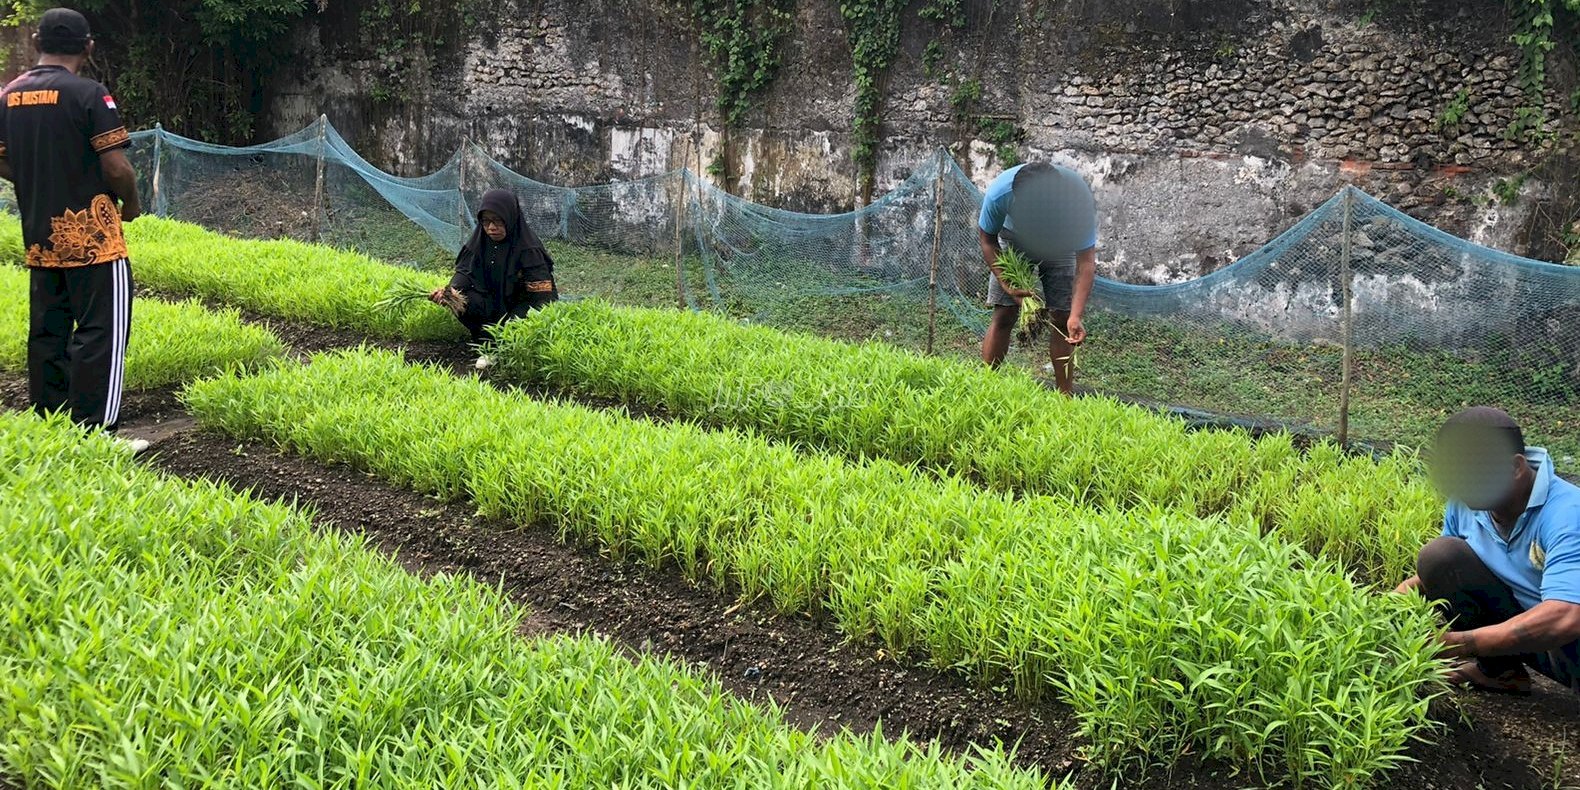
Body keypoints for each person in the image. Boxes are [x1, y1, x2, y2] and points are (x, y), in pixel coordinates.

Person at [0, 8, 142, 446]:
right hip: (94, 239)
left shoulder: (9, 96)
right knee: (102, 330)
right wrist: (132, 204)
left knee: (48, 332)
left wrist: (37, 178)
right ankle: (98, 432)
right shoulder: (90, 94)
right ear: (88, 46)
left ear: (37, 42)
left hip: (41, 237)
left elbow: (3, 159)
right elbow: (116, 166)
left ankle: (51, 428)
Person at [1396, 407, 1580, 695]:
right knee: (1439, 556)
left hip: (1571, 641)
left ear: (1515, 468)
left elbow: (1566, 616)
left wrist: (1455, 643)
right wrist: (1379, 612)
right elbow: (1445, 568)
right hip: (1536, 638)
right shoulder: (1466, 502)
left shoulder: (1568, 513)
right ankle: (1501, 673)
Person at [978, 161, 1098, 395]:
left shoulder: (1077, 203)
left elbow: (1086, 263)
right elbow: (987, 240)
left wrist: (1076, 315)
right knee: (1004, 312)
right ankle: (986, 387)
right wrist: (1005, 282)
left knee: (1063, 320)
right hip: (1014, 238)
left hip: (1059, 241)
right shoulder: (999, 194)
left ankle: (1065, 400)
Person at [432, 189, 557, 356]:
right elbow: (464, 272)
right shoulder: (480, 241)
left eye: (498, 221)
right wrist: (450, 291)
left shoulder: (528, 249)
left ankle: (506, 348)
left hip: (521, 307)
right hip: (492, 301)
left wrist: (513, 322)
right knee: (460, 298)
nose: (491, 228)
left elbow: (541, 299)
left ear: (510, 218)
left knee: (517, 326)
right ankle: (486, 343)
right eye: (486, 221)